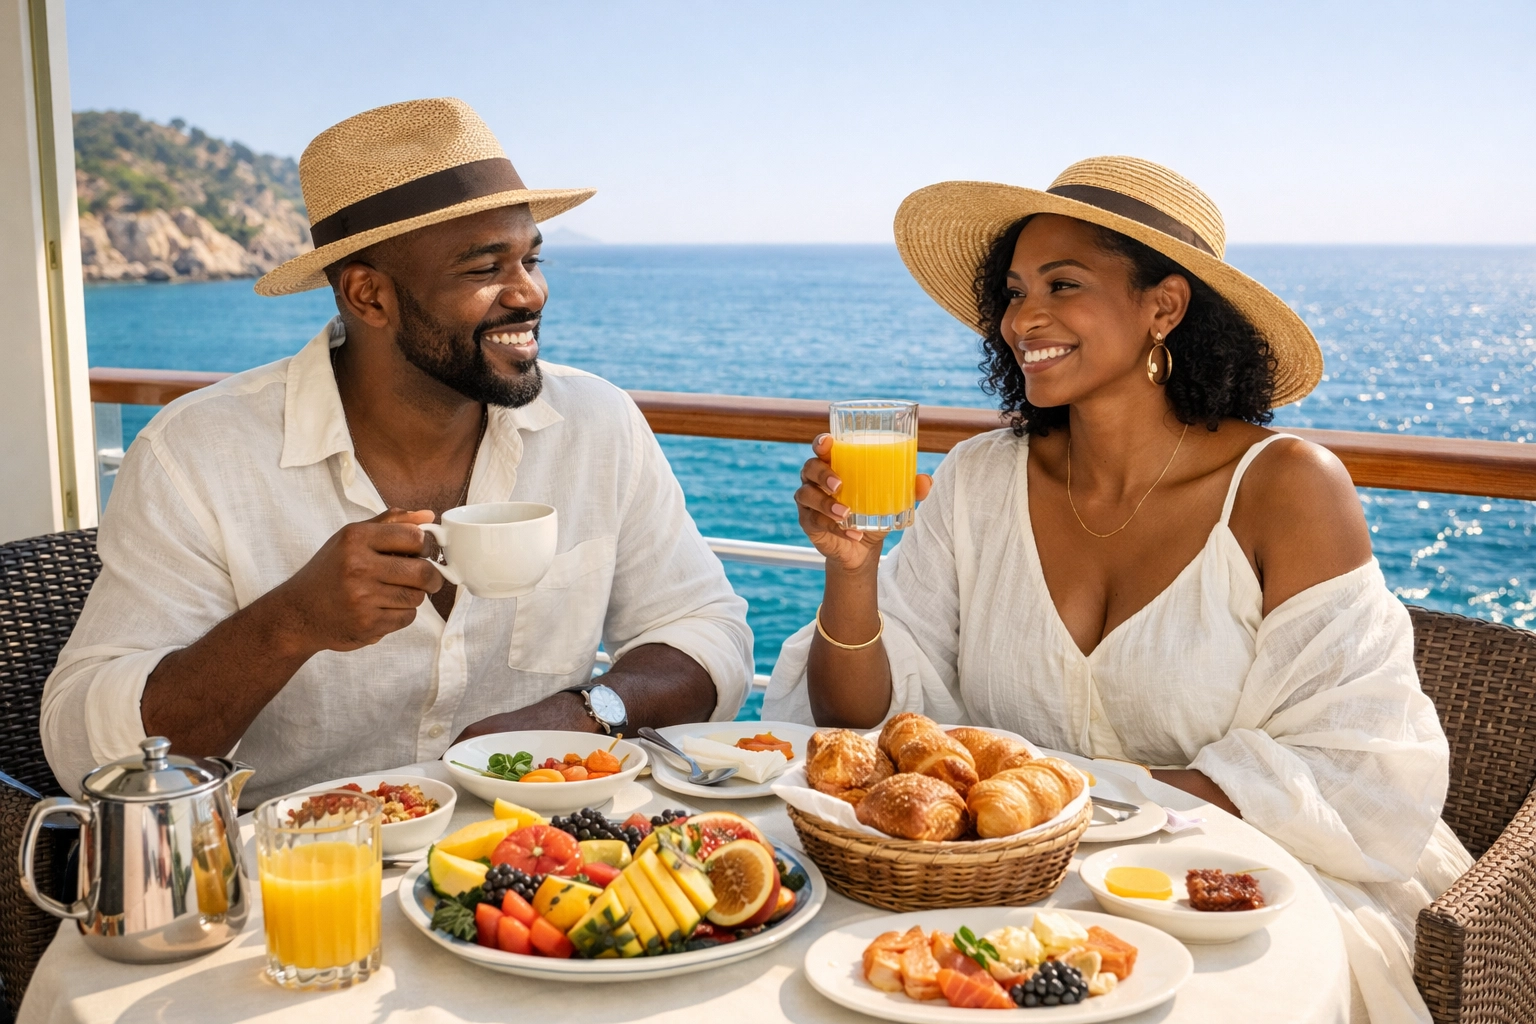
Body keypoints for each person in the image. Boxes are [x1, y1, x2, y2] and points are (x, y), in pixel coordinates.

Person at [765, 156, 1469, 1023]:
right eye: (1015, 291)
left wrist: (1067, 795)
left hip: (1238, 898)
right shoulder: (982, 480)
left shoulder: (1286, 489)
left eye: (1064, 285)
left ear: (1163, 307)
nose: (1025, 317)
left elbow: (1352, 769)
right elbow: (858, 725)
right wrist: (852, 572)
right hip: (1006, 898)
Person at [42, 98, 753, 807]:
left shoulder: (598, 424)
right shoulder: (196, 454)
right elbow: (83, 751)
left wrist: (587, 713)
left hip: (541, 867)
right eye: (485, 268)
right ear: (368, 296)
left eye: (531, 258)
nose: (529, 292)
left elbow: (707, 630)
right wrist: (288, 625)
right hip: (297, 884)